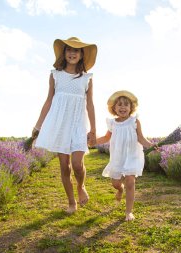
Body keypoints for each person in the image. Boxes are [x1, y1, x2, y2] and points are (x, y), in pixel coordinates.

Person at [32, 37, 97, 214]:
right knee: (64, 166)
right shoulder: (55, 75)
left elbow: (90, 104)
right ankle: (71, 202)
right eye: (69, 49)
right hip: (60, 124)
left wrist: (93, 130)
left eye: (76, 50)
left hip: (78, 123)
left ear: (82, 54)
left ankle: (81, 185)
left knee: (77, 163)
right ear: (64, 53)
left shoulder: (87, 78)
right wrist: (38, 126)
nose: (72, 53)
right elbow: (48, 101)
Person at [96, 90, 157, 221]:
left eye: (126, 104)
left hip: (132, 155)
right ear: (114, 108)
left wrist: (150, 145)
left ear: (131, 108)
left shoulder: (134, 121)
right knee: (115, 182)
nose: (123, 107)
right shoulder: (112, 123)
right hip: (118, 157)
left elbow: (141, 138)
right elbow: (106, 137)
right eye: (119, 105)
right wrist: (92, 141)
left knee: (130, 181)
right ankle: (119, 189)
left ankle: (128, 212)